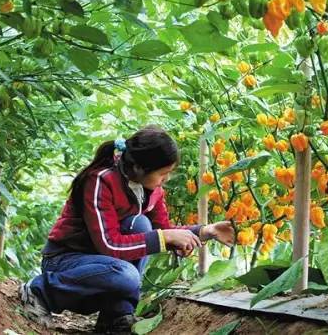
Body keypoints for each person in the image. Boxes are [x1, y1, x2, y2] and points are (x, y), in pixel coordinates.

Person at [18, 125, 234, 333]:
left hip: (103, 266)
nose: (165, 179)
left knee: (142, 225)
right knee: (127, 274)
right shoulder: (100, 181)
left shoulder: (151, 190)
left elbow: (165, 230)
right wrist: (165, 236)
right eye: (163, 173)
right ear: (140, 168)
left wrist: (206, 231)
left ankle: (117, 315)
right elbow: (109, 244)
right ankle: (39, 292)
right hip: (66, 260)